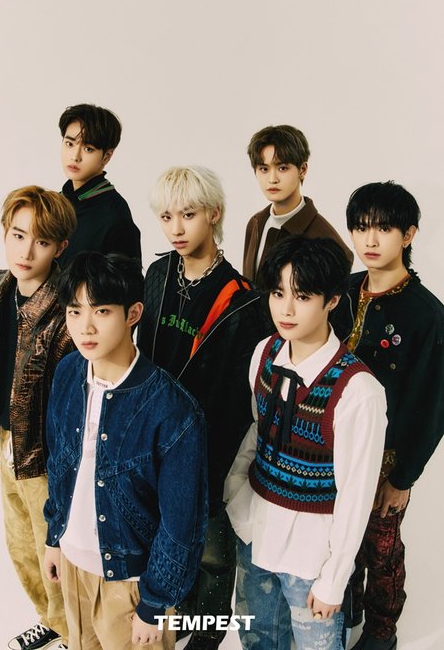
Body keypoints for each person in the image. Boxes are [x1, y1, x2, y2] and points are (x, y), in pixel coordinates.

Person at [224, 235, 387, 650]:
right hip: (255, 531)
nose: (286, 309)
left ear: (332, 300)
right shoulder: (264, 353)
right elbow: (257, 430)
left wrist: (334, 579)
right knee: (257, 639)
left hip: (312, 554)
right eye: (278, 293)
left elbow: (356, 495)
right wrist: (235, 494)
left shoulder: (358, 391)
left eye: (302, 296)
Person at [43, 252, 208, 650]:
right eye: (75, 311)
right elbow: (59, 463)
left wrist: (155, 603)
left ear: (133, 313)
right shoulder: (68, 372)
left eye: (101, 311)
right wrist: (54, 537)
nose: (85, 327)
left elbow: (181, 524)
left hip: (132, 584)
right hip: (73, 567)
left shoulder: (172, 409)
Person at [138, 166, 269, 650]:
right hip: (155, 443)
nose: (175, 228)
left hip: (207, 450)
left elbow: (239, 401)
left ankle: (206, 637)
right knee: (164, 544)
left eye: (188, 215)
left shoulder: (242, 301)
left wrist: (217, 467)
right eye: (166, 216)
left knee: (212, 558)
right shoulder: (157, 275)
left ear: (214, 214)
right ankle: (171, 624)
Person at [330, 181, 444, 650]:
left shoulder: (426, 314)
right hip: (331, 448)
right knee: (337, 538)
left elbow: (431, 405)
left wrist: (403, 477)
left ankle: (381, 632)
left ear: (409, 234)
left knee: (381, 548)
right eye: (360, 228)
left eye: (383, 228)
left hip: (386, 459)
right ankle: (346, 607)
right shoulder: (341, 290)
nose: (370, 240)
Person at [0, 185, 77, 650]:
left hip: (45, 448)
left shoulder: (66, 306)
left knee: (52, 548)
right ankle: (52, 622)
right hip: (5, 436)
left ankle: (74, 631)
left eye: (41, 241)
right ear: (5, 233)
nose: (26, 251)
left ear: (59, 247)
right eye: (18, 236)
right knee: (19, 545)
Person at [243, 124, 353, 282]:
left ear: (302, 169)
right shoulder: (256, 223)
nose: (272, 179)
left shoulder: (324, 238)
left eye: (282, 168)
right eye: (264, 169)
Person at [58, 102, 141, 266]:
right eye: (70, 144)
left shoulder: (115, 215)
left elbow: (128, 280)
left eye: (88, 149)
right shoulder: (55, 203)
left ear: (107, 156)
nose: (75, 156)